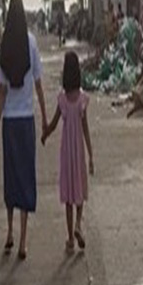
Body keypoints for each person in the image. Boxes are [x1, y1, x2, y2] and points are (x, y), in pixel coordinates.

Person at [0, 0, 48, 260]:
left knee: (11, 179)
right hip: (26, 121)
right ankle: (24, 240)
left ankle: (10, 232)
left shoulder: (5, 46)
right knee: (26, 177)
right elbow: (38, 84)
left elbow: (1, 92)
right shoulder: (32, 43)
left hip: (10, 123)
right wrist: (46, 118)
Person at [41, 51, 94, 253]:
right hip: (79, 150)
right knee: (80, 189)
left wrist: (45, 134)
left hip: (66, 152)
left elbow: (54, 124)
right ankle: (79, 225)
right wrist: (90, 155)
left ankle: (71, 239)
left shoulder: (62, 100)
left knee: (69, 196)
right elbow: (86, 129)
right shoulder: (82, 100)